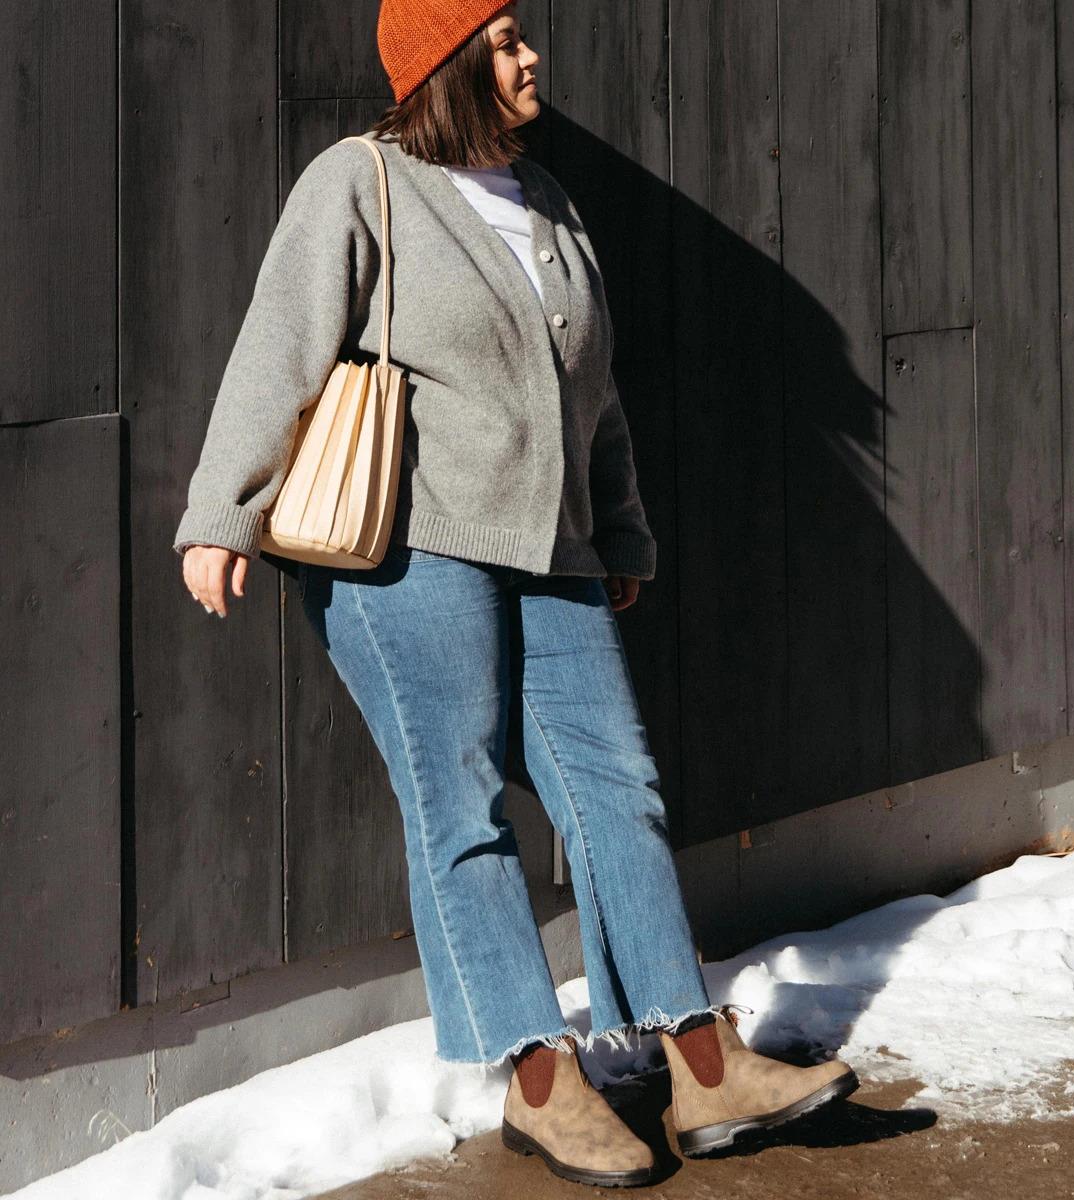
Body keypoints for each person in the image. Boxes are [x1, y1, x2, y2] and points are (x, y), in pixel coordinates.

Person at [173, 0, 857, 1186]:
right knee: (463, 806)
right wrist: (220, 514)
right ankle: (540, 1083)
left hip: (555, 549)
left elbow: (589, 392)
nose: (530, 52)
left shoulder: (546, 202)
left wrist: (623, 529)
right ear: (442, 62)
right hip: (408, 547)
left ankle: (697, 1064)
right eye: (499, 37)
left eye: (522, 31)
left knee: (616, 787)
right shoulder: (360, 180)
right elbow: (277, 342)